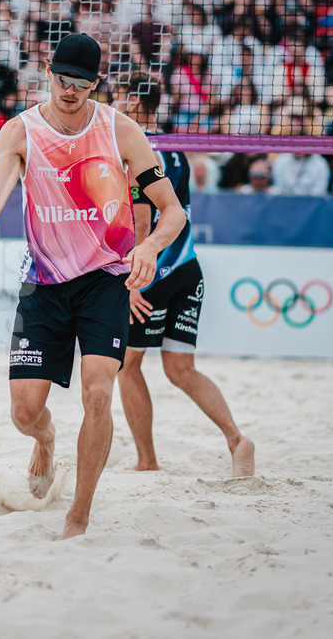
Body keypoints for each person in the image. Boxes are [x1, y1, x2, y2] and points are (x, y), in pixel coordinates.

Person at [0, 33, 187, 539]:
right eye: (63, 79)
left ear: (96, 84)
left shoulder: (120, 130)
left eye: (82, 84)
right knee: (24, 410)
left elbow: (171, 210)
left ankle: (78, 515)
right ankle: (45, 439)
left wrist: (149, 248)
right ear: (48, 69)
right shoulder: (21, 133)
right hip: (43, 282)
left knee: (98, 395)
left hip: (105, 279)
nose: (70, 90)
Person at [111, 72, 255, 477]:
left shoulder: (135, 150)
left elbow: (141, 222)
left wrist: (133, 282)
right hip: (188, 269)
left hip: (152, 274)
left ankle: (147, 461)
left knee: (128, 365)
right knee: (181, 369)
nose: (114, 106)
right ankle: (236, 439)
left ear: (136, 104)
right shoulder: (177, 152)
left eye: (120, 98)